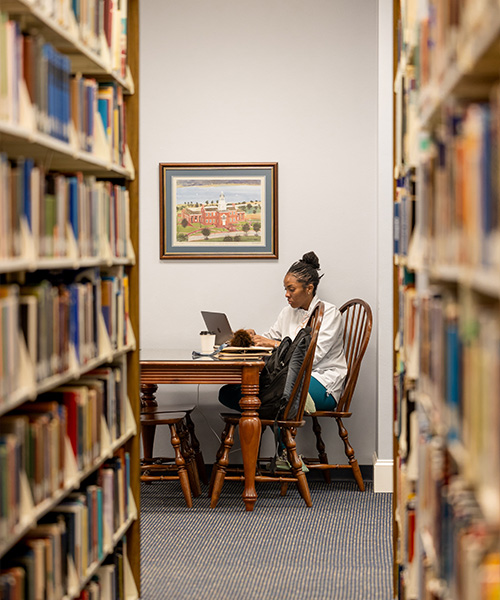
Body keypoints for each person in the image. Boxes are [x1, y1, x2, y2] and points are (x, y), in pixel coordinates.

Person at [219, 251, 347, 413]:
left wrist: (273, 344)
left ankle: (278, 404)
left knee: (273, 394)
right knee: (228, 392)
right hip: (285, 377)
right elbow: (271, 336)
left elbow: (312, 358)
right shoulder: (288, 312)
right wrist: (254, 338)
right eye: (285, 289)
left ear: (309, 288)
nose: (286, 294)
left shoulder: (329, 313)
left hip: (321, 380)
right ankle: (277, 403)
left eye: (291, 289)